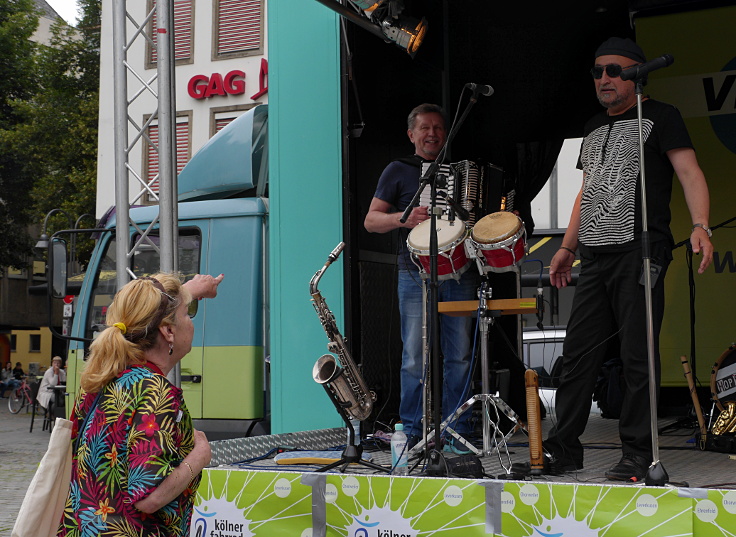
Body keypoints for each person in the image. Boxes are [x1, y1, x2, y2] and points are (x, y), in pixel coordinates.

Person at [539, 37, 713, 481]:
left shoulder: (661, 116)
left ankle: (638, 452)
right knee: (577, 355)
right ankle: (564, 449)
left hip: (640, 252)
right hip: (595, 256)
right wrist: (565, 246)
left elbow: (690, 172)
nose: (604, 79)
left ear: (638, 73)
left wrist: (701, 226)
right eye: (597, 71)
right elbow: (587, 190)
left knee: (638, 357)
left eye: (614, 70)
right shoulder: (594, 125)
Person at [58, 272, 224, 537]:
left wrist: (189, 291)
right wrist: (199, 456)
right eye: (186, 315)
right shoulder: (155, 392)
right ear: (168, 331)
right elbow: (149, 496)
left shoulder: (103, 380)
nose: (191, 323)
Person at [364, 103, 478, 455]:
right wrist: (404, 217)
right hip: (413, 274)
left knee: (459, 356)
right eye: (425, 128)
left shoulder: (466, 173)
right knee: (415, 356)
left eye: (439, 128)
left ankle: (457, 430)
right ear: (411, 135)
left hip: (460, 272)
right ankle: (413, 430)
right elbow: (371, 221)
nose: (432, 134)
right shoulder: (398, 170)